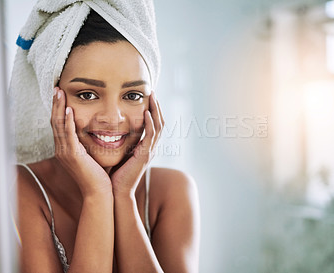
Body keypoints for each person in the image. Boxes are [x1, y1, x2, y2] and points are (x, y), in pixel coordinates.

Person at [12, 2, 200, 273]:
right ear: (52, 96)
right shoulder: (22, 188)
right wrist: (97, 194)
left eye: (132, 95)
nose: (113, 118)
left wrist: (123, 196)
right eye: (87, 94)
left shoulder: (171, 191)